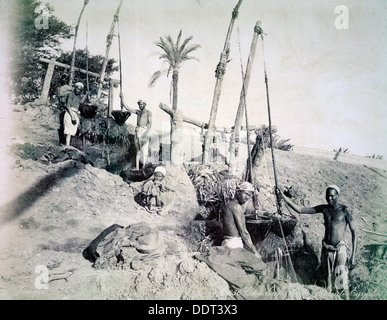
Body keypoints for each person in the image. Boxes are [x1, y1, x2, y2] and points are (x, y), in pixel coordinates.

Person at [279, 185, 357, 299]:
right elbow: (301, 210)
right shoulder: (324, 209)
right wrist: (283, 197)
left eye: (332, 196)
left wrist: (353, 256)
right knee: (328, 279)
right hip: (326, 249)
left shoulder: (344, 210)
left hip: (340, 250)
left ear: (337, 196)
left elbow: (355, 233)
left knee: (342, 279)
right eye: (327, 196)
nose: (329, 198)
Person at [222, 181, 259, 256]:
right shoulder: (236, 207)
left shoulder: (229, 205)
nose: (247, 197)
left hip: (227, 242)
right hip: (234, 244)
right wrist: (254, 251)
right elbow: (243, 232)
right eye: (246, 194)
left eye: (249, 195)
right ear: (238, 192)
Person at [120, 94, 152, 170]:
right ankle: (137, 168)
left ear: (144, 104)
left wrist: (145, 133)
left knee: (144, 150)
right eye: (139, 104)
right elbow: (127, 108)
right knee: (138, 150)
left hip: (144, 131)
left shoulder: (148, 113)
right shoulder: (138, 112)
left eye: (141, 104)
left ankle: (143, 167)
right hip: (137, 130)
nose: (140, 106)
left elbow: (149, 124)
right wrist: (122, 98)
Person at [62, 82, 88, 147]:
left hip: (75, 113)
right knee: (68, 131)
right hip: (70, 113)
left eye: (80, 90)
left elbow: (81, 102)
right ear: (75, 88)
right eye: (78, 89)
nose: (78, 91)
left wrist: (86, 94)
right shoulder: (70, 94)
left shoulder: (77, 97)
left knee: (72, 130)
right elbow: (68, 106)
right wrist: (72, 116)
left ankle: (69, 145)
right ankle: (67, 146)